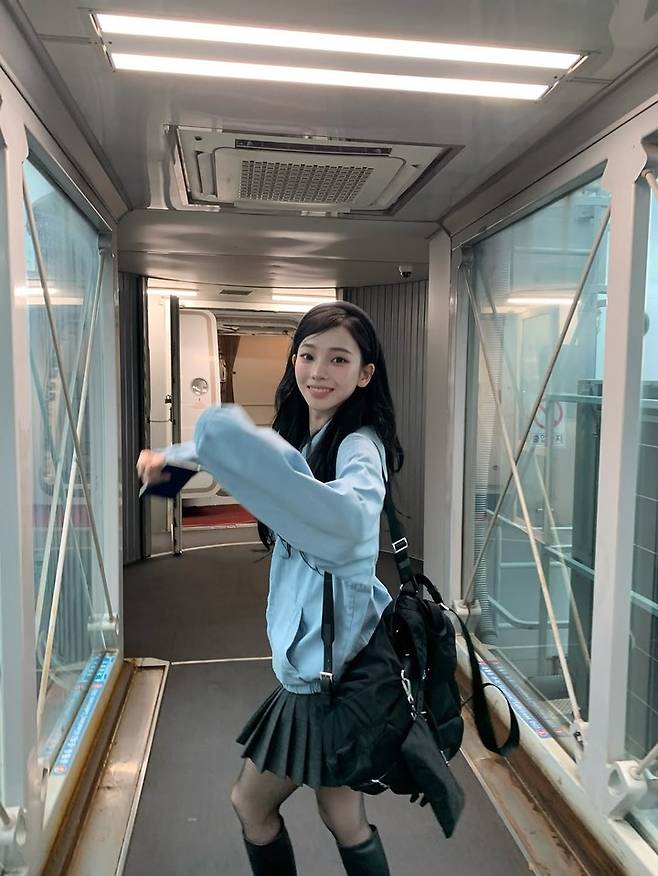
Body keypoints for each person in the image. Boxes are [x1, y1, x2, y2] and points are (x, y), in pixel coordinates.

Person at [137, 301, 403, 876]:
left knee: (250, 803)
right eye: (308, 355)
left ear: (365, 374)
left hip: (323, 673)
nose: (318, 372)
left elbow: (349, 520)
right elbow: (257, 464)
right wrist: (170, 467)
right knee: (343, 815)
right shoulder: (305, 434)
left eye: (339, 360)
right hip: (338, 661)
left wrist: (231, 455)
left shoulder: (358, 445)